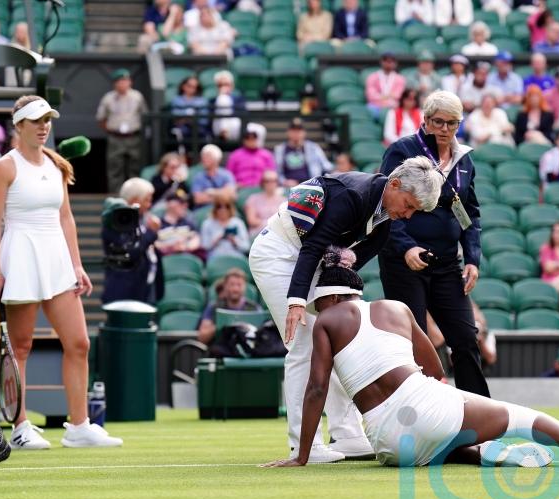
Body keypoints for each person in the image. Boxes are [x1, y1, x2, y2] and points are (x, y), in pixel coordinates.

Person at [263, 250, 559, 469]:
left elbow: (316, 389)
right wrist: (448, 400)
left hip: (389, 446)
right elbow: (434, 369)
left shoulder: (326, 321)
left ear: (328, 298)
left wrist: (303, 455)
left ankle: (481, 453)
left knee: (433, 441)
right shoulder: (395, 308)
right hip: (426, 406)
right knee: (518, 416)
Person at [248, 157, 443, 463]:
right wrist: (296, 301)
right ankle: (304, 446)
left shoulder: (385, 217)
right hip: (278, 254)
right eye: (408, 204)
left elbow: (358, 254)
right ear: (393, 184)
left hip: (312, 259)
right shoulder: (352, 196)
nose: (407, 215)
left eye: (414, 210)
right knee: (304, 345)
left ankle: (348, 434)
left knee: (339, 339)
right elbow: (313, 246)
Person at [0, 95, 122, 449]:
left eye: (48, 119)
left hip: (56, 259)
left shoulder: (56, 164)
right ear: (19, 126)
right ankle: (20, 426)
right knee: (21, 347)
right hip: (21, 256)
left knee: (78, 342)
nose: (44, 126)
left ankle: (78, 426)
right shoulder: (5, 167)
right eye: (36, 120)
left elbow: (65, 218)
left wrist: (76, 263)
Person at [377, 91, 489, 399]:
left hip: (447, 263)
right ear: (426, 120)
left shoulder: (464, 160)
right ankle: (421, 413)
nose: (444, 128)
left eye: (452, 123)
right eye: (438, 121)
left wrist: (473, 258)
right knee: (415, 342)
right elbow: (385, 202)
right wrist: (405, 247)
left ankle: (479, 415)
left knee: (466, 338)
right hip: (404, 262)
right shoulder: (402, 150)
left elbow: (469, 213)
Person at [103, 178, 163, 305]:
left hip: (144, 286)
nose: (149, 205)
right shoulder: (117, 222)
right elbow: (131, 252)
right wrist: (152, 233)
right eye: (147, 200)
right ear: (135, 200)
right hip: (125, 292)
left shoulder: (141, 219)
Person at [96, 69, 147, 193]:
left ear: (130, 82)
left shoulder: (137, 96)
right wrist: (110, 130)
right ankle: (115, 194)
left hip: (133, 136)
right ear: (115, 83)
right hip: (116, 137)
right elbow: (101, 118)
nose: (123, 84)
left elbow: (145, 115)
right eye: (119, 81)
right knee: (115, 167)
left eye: (125, 80)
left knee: (134, 166)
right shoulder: (108, 98)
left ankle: (135, 193)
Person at [197, 268, 261, 345]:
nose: (235, 289)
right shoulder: (214, 307)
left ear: (245, 286)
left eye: (239, 285)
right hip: (221, 352)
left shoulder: (254, 308)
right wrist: (220, 326)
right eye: (232, 284)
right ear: (225, 286)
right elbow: (202, 337)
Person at [273, 118, 333, 186]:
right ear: (288, 132)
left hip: (311, 186)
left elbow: (327, 166)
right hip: (287, 188)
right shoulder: (280, 149)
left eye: (299, 130)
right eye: (293, 130)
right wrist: (284, 181)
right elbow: (275, 171)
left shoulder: (313, 148)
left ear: (304, 132)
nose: (296, 133)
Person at [226, 123, 275, 188]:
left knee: (291, 191)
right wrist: (236, 184)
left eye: (254, 138)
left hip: (262, 189)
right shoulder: (235, 155)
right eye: (248, 138)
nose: (251, 140)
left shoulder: (266, 155)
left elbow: (272, 174)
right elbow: (228, 175)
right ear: (244, 140)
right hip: (240, 189)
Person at [154, 192, 202, 258]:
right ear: (169, 204)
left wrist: (185, 246)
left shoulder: (188, 223)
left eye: (186, 203)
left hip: (186, 258)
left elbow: (196, 239)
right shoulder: (157, 224)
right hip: (165, 259)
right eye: (181, 203)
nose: (185, 205)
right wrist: (171, 246)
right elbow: (153, 244)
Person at [191, 144, 237, 209]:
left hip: (224, 210)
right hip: (204, 210)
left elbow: (232, 196)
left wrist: (211, 191)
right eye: (203, 157)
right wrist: (222, 194)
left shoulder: (226, 175)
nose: (204, 159)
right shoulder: (198, 177)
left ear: (217, 159)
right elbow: (198, 199)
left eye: (207, 157)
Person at [244, 170, 285, 237]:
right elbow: (251, 220)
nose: (270, 183)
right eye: (267, 181)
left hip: (278, 233)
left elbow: (284, 220)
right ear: (262, 182)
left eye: (273, 180)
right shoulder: (253, 199)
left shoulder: (283, 201)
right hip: (258, 232)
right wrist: (269, 224)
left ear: (277, 182)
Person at [365, 53, 407, 119]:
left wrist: (384, 98)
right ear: (381, 62)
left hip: (394, 106)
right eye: (386, 61)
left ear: (395, 63)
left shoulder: (400, 79)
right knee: (370, 110)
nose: (388, 63)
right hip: (376, 106)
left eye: (391, 61)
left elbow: (399, 95)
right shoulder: (372, 77)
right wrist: (387, 97)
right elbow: (371, 95)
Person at [209, 70, 245, 142]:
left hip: (235, 126)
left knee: (259, 129)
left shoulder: (239, 99)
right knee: (223, 98)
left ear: (232, 86)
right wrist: (220, 97)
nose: (223, 87)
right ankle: (224, 131)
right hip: (218, 128)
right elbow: (210, 118)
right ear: (217, 87)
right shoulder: (212, 101)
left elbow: (243, 114)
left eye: (226, 84)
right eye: (220, 85)